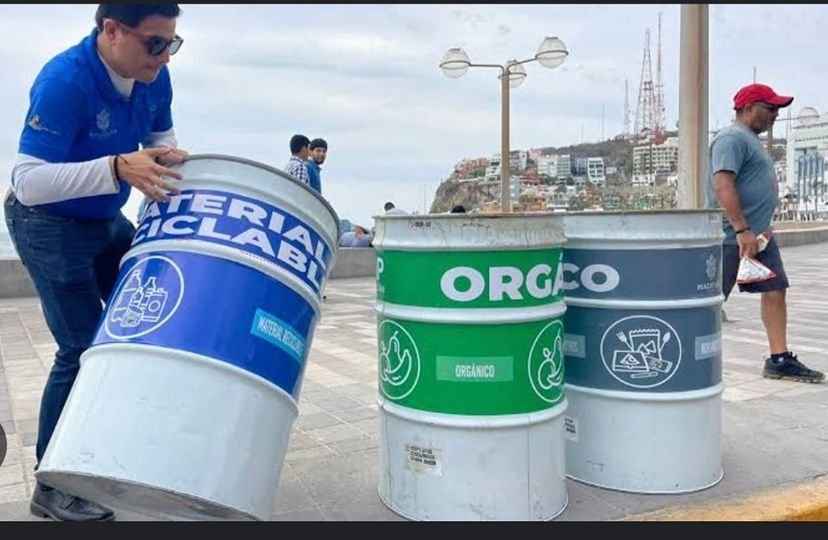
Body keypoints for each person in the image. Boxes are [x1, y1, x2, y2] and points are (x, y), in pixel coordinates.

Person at [4, 4, 188, 521]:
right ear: (111, 30)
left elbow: (160, 146)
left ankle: (119, 446)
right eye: (155, 43)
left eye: (173, 43)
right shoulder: (65, 81)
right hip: (47, 224)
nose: (165, 56)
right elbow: (28, 182)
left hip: (105, 219)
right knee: (81, 348)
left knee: (155, 322)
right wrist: (113, 166)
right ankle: (52, 483)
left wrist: (171, 161)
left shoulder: (155, 79)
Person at [706, 82, 824, 384]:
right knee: (709, 299)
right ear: (748, 108)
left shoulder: (751, 139)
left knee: (775, 290)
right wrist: (741, 228)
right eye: (770, 108)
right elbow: (723, 184)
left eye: (778, 109)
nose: (775, 115)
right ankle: (689, 354)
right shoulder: (732, 138)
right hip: (734, 237)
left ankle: (779, 358)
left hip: (761, 236)